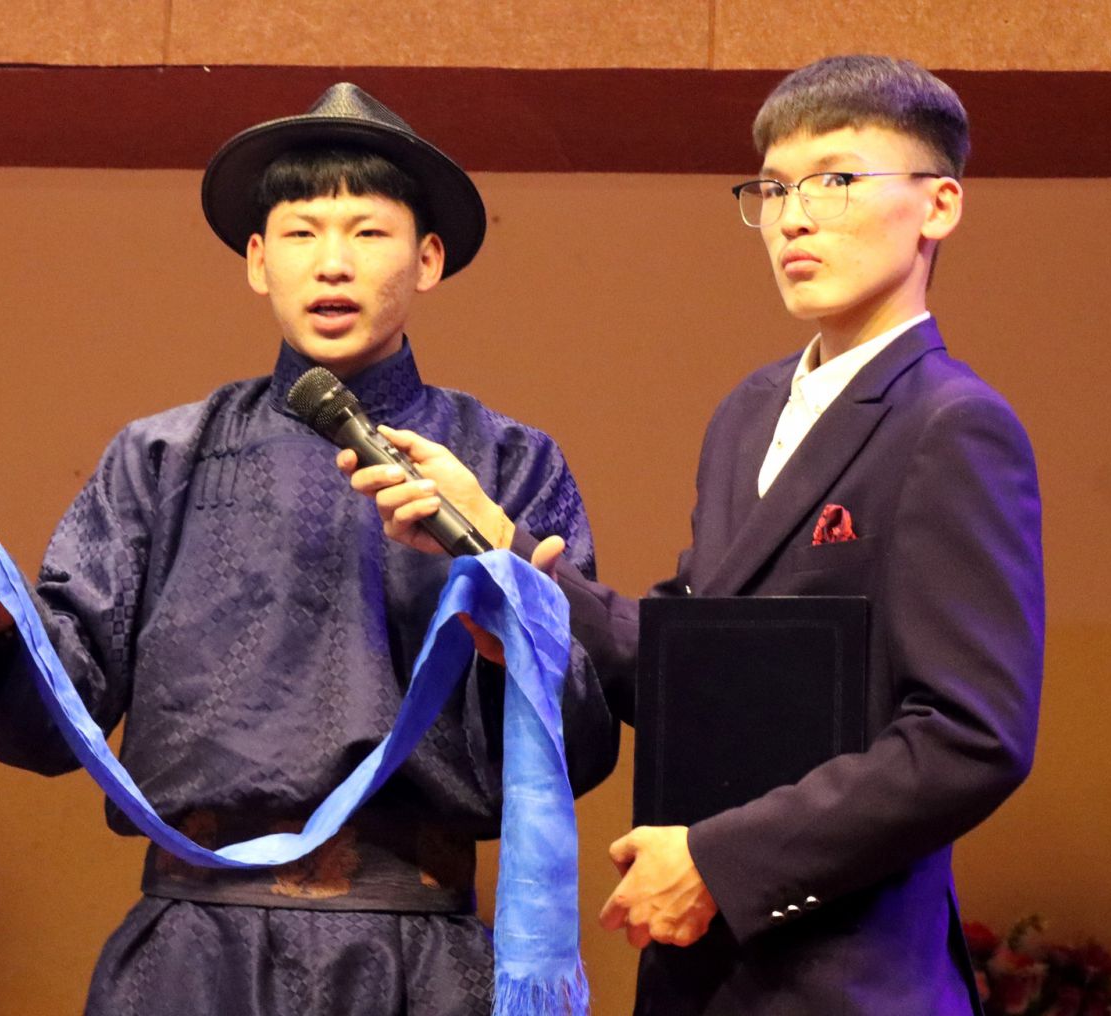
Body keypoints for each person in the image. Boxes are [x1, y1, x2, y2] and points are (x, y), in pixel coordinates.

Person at [344, 55, 1044, 1015]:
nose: (793, 217)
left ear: (939, 205)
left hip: (847, 981)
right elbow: (695, 669)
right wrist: (503, 554)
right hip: (701, 977)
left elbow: (970, 738)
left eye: (836, 180)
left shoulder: (952, 425)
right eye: (774, 189)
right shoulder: (748, 414)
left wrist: (718, 861)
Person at [0, 82, 618, 1015]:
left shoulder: (505, 464)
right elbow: (63, 706)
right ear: (258, 260)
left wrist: (513, 647)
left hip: (415, 950)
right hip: (191, 950)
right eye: (301, 233)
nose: (332, 262)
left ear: (428, 258)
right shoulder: (162, 456)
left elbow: (578, 740)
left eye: (367, 232)